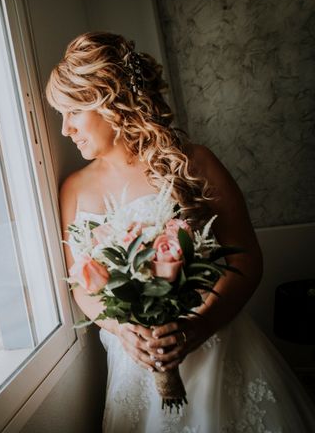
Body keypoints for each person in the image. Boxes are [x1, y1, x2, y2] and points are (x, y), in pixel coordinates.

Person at [46, 31, 315, 431]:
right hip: (133, 363)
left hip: (217, 347)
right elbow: (81, 285)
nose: (66, 129)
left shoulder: (194, 163)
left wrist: (199, 326)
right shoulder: (73, 189)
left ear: (110, 102)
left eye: (72, 112)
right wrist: (122, 330)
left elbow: (245, 256)